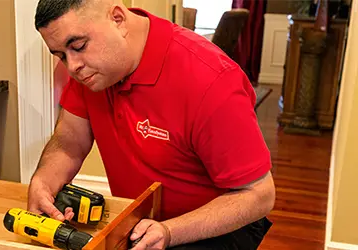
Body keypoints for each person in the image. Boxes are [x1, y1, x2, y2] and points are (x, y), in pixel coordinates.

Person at [28, 0, 276, 249]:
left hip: (216, 224)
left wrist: (169, 231)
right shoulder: (92, 73)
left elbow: (259, 195)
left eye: (79, 46)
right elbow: (69, 144)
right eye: (61, 55)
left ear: (117, 19)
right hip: (144, 220)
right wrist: (43, 182)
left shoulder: (210, 80)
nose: (72, 66)